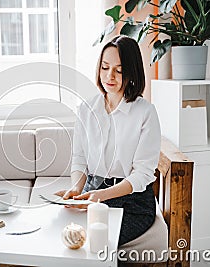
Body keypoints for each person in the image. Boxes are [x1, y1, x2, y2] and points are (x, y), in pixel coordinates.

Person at [55, 35, 161, 246]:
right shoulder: (86, 109)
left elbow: (143, 174)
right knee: (66, 237)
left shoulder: (145, 112)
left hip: (132, 202)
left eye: (119, 70)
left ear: (131, 73)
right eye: (105, 67)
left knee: (98, 240)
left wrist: (103, 195)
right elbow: (79, 158)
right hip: (93, 191)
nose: (109, 76)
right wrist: (76, 188)